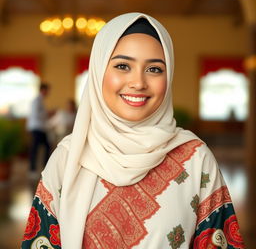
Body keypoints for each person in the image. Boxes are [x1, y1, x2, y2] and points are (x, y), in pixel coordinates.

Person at [21, 13, 245, 249]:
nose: (138, 82)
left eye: (155, 69)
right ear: (98, 72)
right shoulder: (67, 158)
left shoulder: (196, 159)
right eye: (122, 66)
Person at [26, 82, 51, 177]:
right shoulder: (37, 101)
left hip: (40, 128)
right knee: (35, 149)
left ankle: (44, 168)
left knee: (46, 147)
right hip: (36, 128)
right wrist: (47, 114)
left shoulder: (40, 101)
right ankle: (32, 170)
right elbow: (36, 114)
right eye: (47, 90)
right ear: (43, 90)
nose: (48, 92)